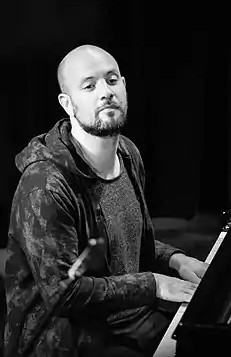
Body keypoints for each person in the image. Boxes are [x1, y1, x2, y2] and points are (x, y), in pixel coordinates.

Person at [4, 45, 208, 357]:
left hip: (131, 317)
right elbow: (63, 295)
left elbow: (129, 243)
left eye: (112, 81)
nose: (105, 92)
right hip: (72, 337)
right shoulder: (44, 185)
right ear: (67, 103)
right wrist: (153, 284)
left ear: (124, 86)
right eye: (90, 85)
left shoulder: (127, 153)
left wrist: (176, 260)